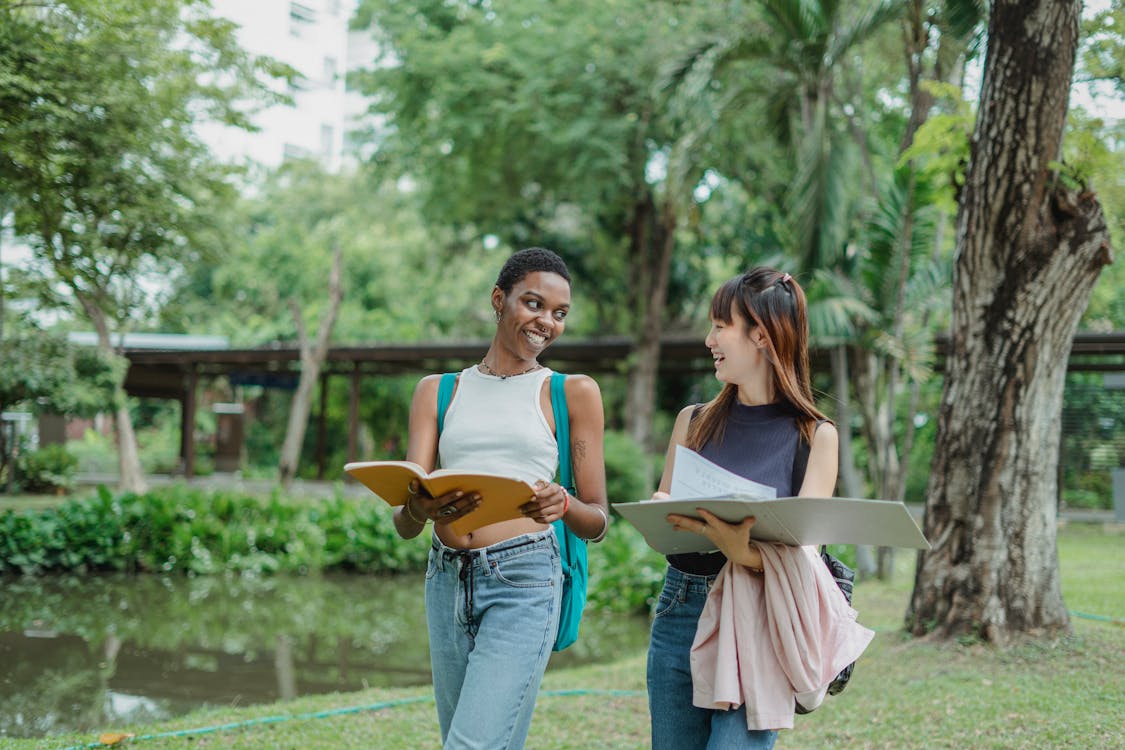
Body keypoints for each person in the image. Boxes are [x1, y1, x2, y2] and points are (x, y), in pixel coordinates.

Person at [393, 246, 610, 750]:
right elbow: (404, 522)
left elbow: (597, 520)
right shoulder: (438, 391)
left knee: (469, 745)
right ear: (499, 299)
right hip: (445, 579)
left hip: (525, 581)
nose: (546, 323)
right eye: (533, 304)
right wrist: (416, 509)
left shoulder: (572, 392)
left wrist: (563, 505)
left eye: (559, 314)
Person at [646, 268, 842, 750]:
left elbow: (805, 558)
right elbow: (664, 521)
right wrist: (660, 513)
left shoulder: (815, 437)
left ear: (761, 335)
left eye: (720, 325)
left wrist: (743, 552)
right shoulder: (691, 421)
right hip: (680, 607)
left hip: (756, 615)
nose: (708, 338)